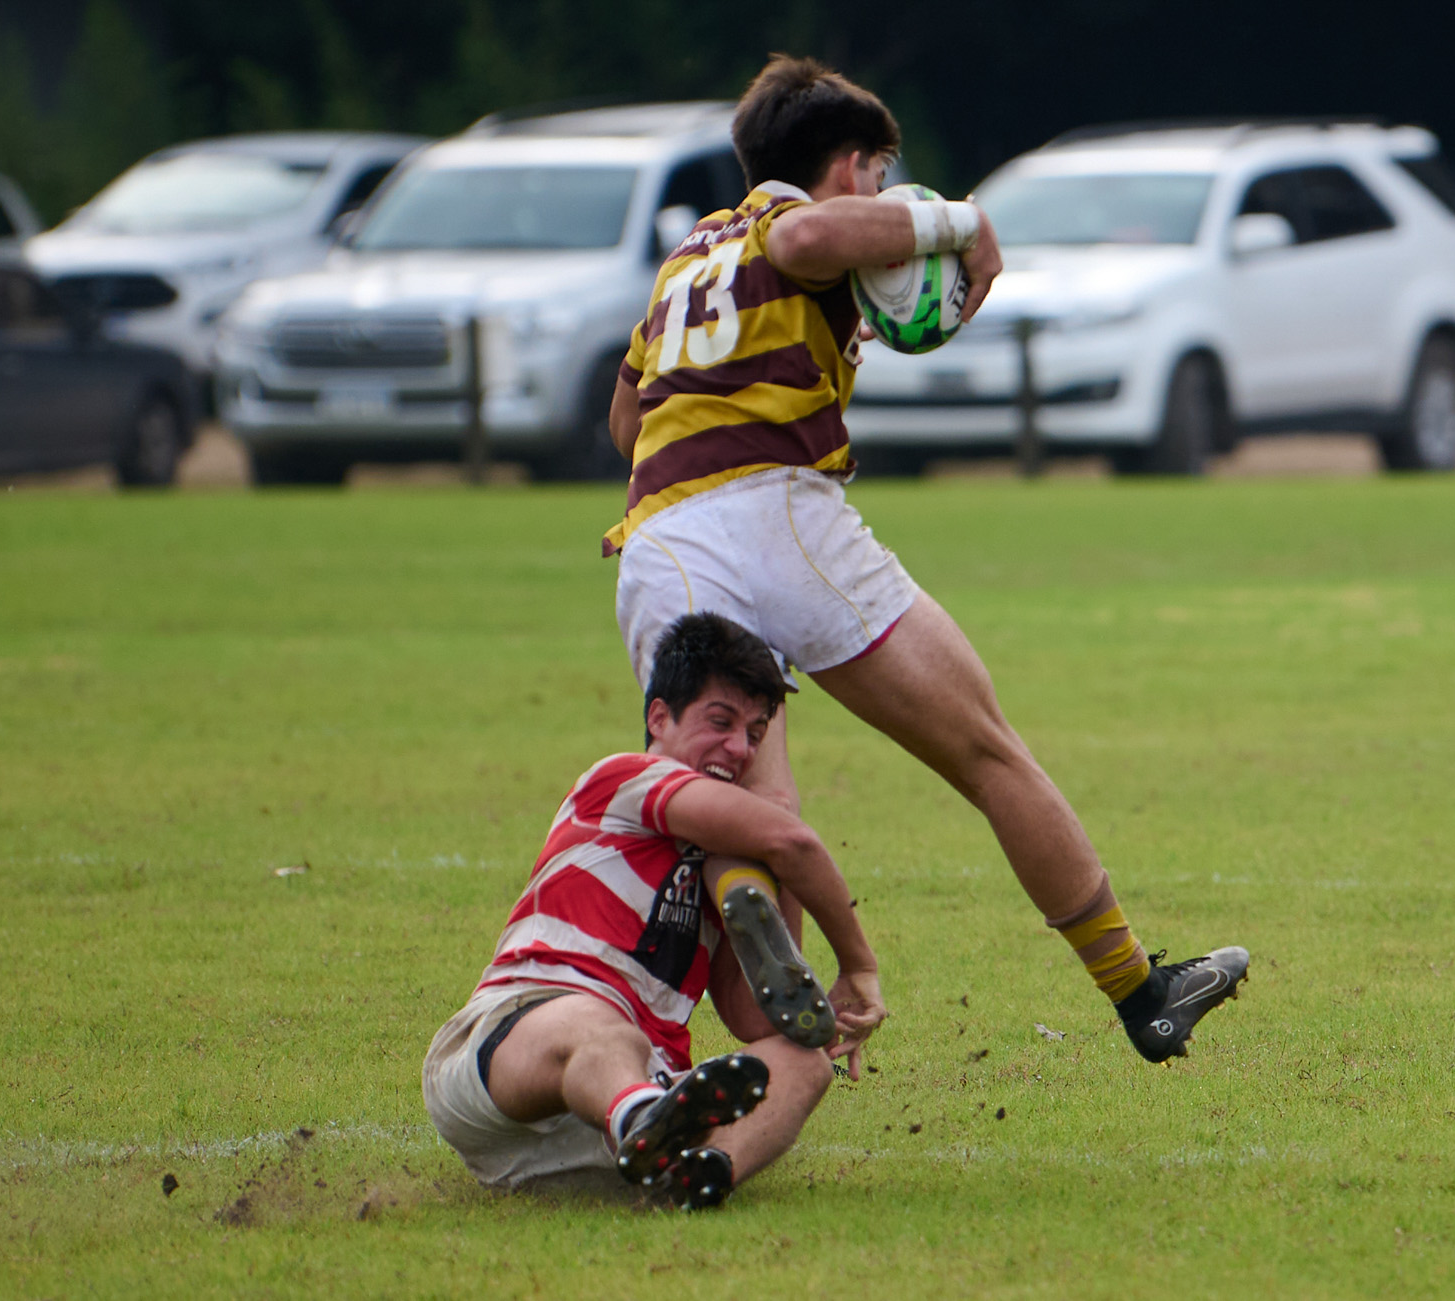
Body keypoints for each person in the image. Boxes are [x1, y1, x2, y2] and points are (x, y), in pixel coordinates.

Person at [604, 55, 1248, 1065]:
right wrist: (960, 220)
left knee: (748, 801)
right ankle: (1139, 988)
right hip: (777, 516)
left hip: (659, 545)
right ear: (850, 165)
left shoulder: (689, 254)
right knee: (987, 752)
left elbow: (624, 417)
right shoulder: (792, 227)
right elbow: (813, 233)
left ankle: (771, 1014)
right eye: (879, 173)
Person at [422, 613, 885, 1210]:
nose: (739, 748)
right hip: (512, 1053)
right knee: (601, 1023)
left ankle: (699, 1171)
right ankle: (646, 1120)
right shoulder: (626, 779)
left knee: (803, 1063)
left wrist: (775, 889)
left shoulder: (729, 866)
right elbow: (792, 842)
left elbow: (755, 1020)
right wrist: (858, 964)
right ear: (658, 717)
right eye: (720, 722)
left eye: (754, 733)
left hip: (621, 1099)